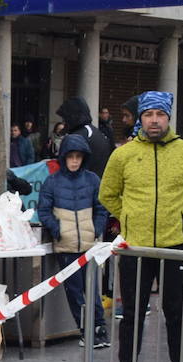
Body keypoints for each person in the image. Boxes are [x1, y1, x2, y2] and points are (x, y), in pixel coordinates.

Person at [99, 90, 183, 362]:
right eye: (148, 115)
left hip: (177, 245)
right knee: (131, 314)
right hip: (136, 246)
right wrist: (131, 218)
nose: (154, 120)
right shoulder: (123, 155)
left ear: (169, 117)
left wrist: (179, 216)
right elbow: (107, 194)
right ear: (140, 119)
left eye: (160, 115)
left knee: (176, 312)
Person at [37, 133, 110, 347]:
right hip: (66, 247)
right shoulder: (52, 182)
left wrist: (96, 229)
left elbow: (101, 209)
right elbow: (44, 210)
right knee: (75, 292)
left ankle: (99, 328)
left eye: (78, 156)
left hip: (89, 245)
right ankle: (85, 331)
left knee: (93, 291)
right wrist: (57, 230)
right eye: (71, 157)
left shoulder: (92, 180)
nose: (75, 161)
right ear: (64, 158)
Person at [55, 97, 112, 178]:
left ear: (72, 116)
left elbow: (65, 164)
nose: (64, 122)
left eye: (65, 118)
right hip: (98, 182)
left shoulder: (77, 137)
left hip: (80, 184)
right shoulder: (96, 132)